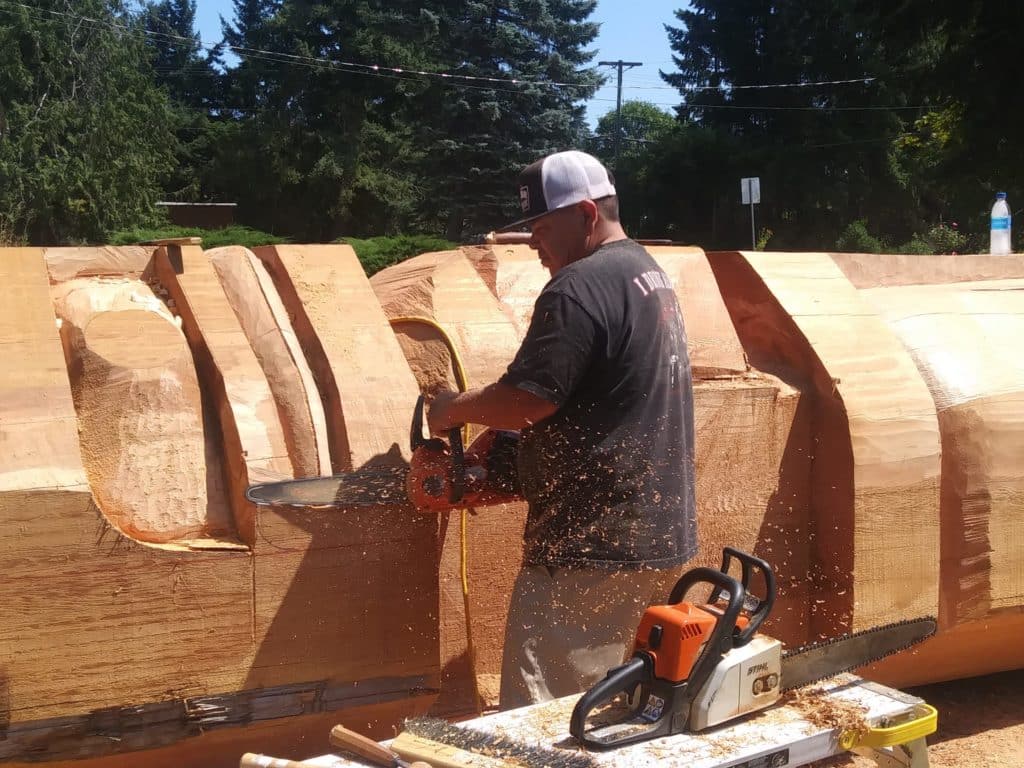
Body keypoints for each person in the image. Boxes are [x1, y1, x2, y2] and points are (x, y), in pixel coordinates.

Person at [427, 150, 697, 710]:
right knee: (614, 712)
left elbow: (527, 399)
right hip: (652, 533)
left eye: (542, 227)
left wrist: (454, 409)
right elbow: (605, 397)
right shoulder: (645, 273)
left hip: (588, 547)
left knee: (545, 718)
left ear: (585, 215)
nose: (533, 242)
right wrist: (512, 454)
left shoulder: (577, 287)